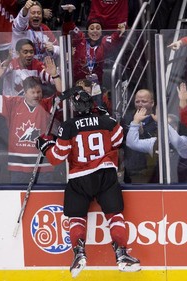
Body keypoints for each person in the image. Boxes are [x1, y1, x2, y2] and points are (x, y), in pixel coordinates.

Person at [35, 89, 141, 277]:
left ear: (75, 108)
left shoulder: (68, 126)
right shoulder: (106, 121)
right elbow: (118, 140)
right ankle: (122, 253)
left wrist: (45, 146)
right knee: (115, 216)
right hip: (105, 175)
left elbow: (57, 157)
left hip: (79, 178)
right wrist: (106, 116)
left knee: (76, 218)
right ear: (92, 104)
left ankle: (79, 253)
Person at [0, 56, 63, 183]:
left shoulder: (46, 104)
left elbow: (61, 95)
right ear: (25, 92)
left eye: (39, 92)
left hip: (42, 164)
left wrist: (55, 76)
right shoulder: (13, 103)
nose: (37, 95)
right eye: (33, 92)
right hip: (18, 165)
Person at [62, 5, 125, 96]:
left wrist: (121, 29)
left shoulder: (104, 42)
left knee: (96, 107)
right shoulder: (80, 39)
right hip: (78, 84)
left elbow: (115, 38)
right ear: (87, 31)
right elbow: (69, 28)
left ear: (101, 31)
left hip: (96, 86)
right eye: (91, 28)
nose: (95, 31)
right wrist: (68, 14)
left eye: (98, 28)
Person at [126, 108, 187, 183]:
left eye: (165, 125)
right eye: (161, 125)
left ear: (175, 127)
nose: (162, 128)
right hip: (159, 187)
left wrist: (162, 121)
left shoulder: (185, 141)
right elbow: (132, 143)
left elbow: (176, 140)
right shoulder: (154, 142)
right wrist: (135, 122)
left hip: (183, 187)